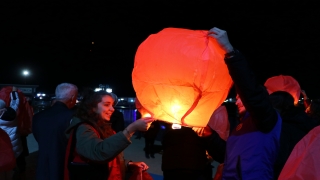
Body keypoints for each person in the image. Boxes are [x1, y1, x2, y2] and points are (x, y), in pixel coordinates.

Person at [209, 27, 282, 179]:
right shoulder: (240, 127)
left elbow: (250, 91)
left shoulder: (267, 119)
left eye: (240, 96)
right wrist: (207, 135)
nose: (236, 100)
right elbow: (225, 156)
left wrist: (230, 53)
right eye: (236, 97)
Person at [64, 89, 154, 180]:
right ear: (93, 107)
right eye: (107, 105)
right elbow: (98, 153)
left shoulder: (102, 127)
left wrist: (128, 164)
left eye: (112, 105)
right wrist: (131, 129)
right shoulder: (84, 128)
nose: (112, 109)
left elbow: (110, 159)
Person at [32, 83, 78, 180]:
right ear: (73, 97)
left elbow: (37, 136)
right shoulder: (73, 116)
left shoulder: (38, 116)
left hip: (42, 163)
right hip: (64, 163)